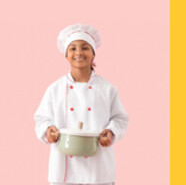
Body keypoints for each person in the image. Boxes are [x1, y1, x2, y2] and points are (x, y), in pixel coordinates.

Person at [33, 23, 131, 185]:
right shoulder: (55, 89)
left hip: (98, 168)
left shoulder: (107, 88)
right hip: (63, 167)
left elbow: (120, 119)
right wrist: (47, 130)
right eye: (72, 48)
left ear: (93, 54)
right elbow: (41, 119)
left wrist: (111, 132)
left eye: (85, 47)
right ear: (66, 55)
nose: (79, 52)